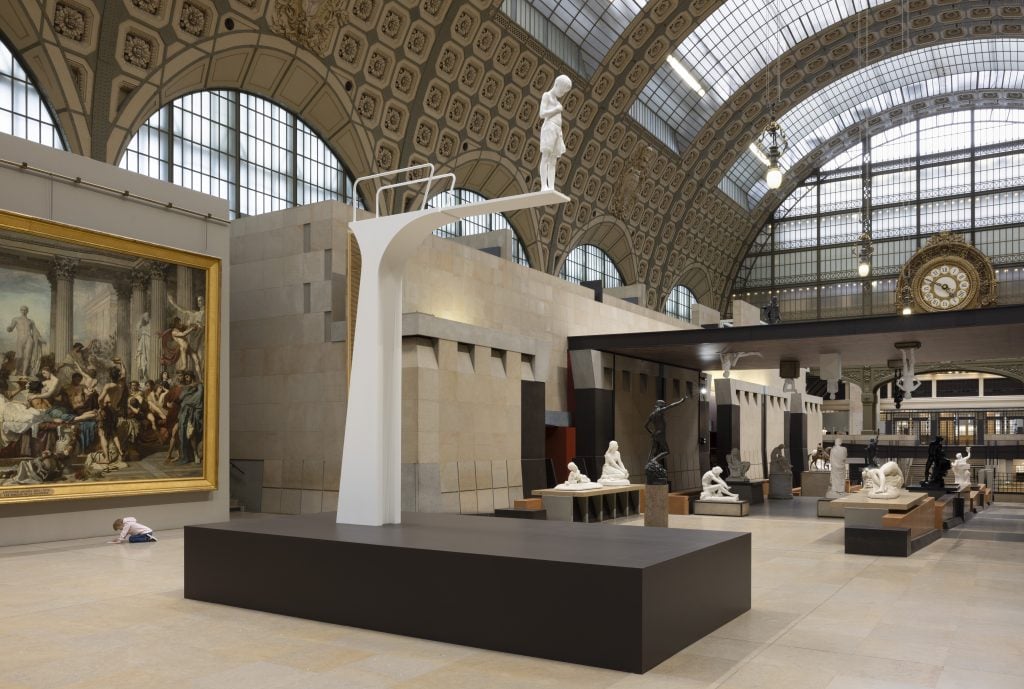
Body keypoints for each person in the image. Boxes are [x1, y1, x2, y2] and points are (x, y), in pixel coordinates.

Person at [538, 74, 572, 191]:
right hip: (549, 128)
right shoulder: (546, 96)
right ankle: (544, 185)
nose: (562, 94)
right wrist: (556, 110)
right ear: (556, 85)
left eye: (564, 93)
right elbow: (542, 113)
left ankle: (551, 186)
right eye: (562, 91)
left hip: (557, 131)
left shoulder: (558, 102)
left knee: (553, 161)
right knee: (546, 157)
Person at [644, 397, 687, 463]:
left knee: (653, 450)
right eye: (663, 405)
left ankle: (650, 463)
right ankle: (654, 460)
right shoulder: (660, 411)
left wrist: (652, 433)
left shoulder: (652, 414)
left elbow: (645, 426)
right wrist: (681, 401)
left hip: (655, 434)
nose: (664, 407)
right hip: (660, 434)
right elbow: (671, 405)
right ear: (660, 406)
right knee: (667, 451)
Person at [7, 305, 46, 376]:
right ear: (20, 310)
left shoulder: (31, 321)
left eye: (25, 310)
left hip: (29, 339)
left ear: (27, 311)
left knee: (28, 356)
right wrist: (9, 328)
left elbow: (35, 331)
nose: (23, 311)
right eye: (22, 310)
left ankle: (24, 372)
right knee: (20, 356)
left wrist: (40, 339)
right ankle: (16, 369)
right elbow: (11, 327)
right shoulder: (16, 319)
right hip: (21, 338)